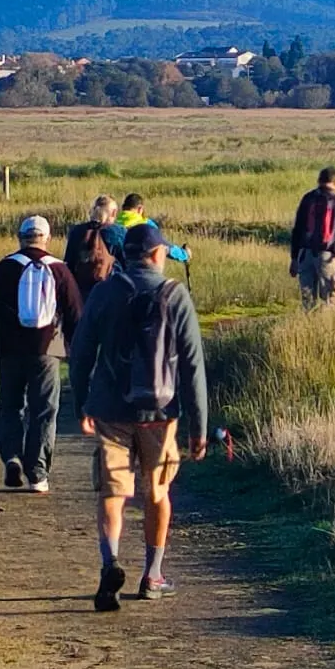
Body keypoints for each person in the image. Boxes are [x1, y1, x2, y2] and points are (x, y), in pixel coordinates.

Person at [68, 218, 208, 609]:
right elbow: (193, 365)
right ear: (158, 254)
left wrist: (82, 403)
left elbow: (81, 354)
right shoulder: (175, 295)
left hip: (111, 410)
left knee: (113, 491)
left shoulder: (103, 293)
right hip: (160, 412)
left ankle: (110, 561)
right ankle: (152, 574)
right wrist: (199, 427)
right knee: (157, 492)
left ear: (124, 256)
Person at [0, 215, 82, 493]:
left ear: (20, 238)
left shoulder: (5, 268)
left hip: (9, 349)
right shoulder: (59, 269)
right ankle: (37, 473)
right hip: (47, 351)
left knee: (11, 406)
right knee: (43, 410)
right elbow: (74, 314)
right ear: (47, 238)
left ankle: (12, 456)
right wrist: (77, 351)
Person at [290, 167, 335, 308]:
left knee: (307, 300)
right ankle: (326, 322)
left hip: (305, 255)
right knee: (329, 300)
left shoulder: (308, 198)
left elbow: (297, 229)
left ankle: (308, 321)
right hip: (327, 256)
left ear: (319, 181)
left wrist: (294, 258)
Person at [64, 194, 120, 301]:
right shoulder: (117, 233)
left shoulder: (77, 231)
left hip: (81, 292)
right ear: (114, 213)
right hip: (110, 291)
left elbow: (69, 262)